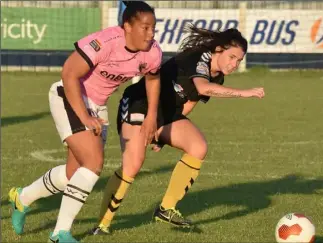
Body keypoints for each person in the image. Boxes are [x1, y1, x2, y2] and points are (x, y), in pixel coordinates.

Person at [8, 2, 162, 242]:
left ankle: (22, 198)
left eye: (153, 27)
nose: (151, 33)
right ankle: (60, 233)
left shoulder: (152, 51)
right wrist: (85, 117)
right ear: (127, 26)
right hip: (69, 96)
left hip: (96, 107)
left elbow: (153, 79)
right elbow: (69, 73)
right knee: (93, 163)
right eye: (145, 27)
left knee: (73, 175)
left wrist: (152, 115)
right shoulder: (105, 42)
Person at [90, 25, 265, 235]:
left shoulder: (217, 75)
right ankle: (102, 225)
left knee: (198, 146)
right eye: (232, 57)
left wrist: (162, 136)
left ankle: (166, 209)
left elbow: (189, 104)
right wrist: (245, 93)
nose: (235, 64)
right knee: (133, 165)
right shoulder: (200, 57)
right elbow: (202, 87)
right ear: (218, 49)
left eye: (239, 60)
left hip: (165, 113)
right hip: (139, 103)